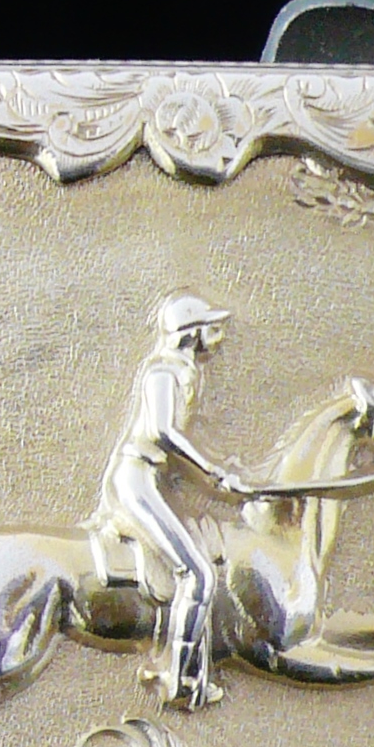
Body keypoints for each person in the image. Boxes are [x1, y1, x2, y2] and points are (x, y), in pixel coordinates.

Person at [90, 293, 250, 709]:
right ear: (190, 333)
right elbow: (162, 433)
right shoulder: (163, 371)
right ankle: (177, 677)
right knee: (197, 576)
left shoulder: (183, 371)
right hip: (136, 479)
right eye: (210, 328)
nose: (217, 337)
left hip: (152, 479)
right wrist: (211, 470)